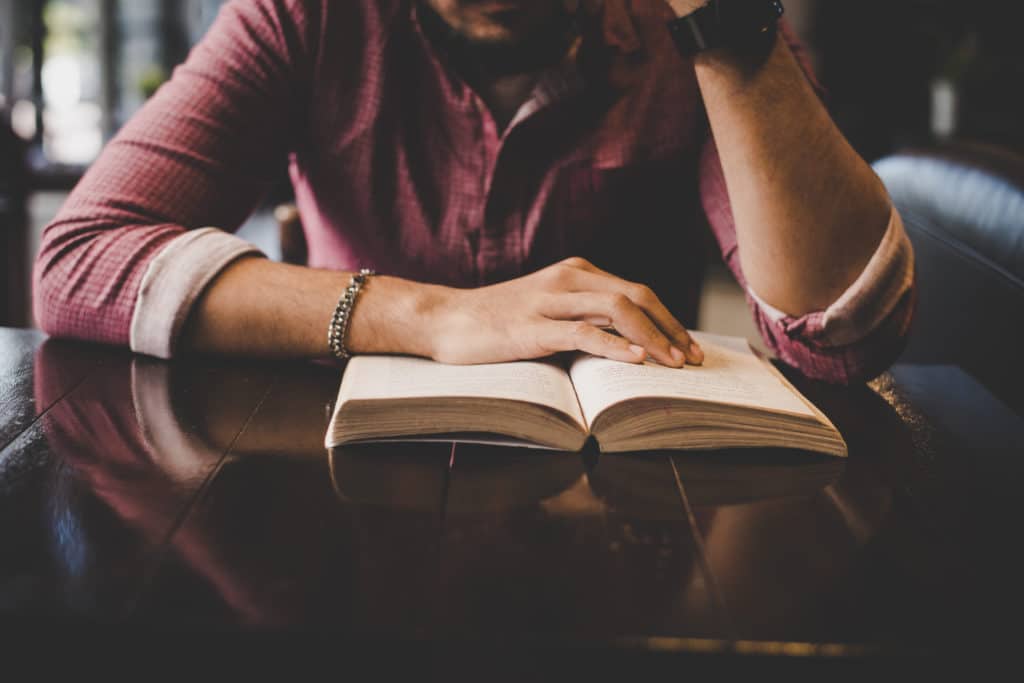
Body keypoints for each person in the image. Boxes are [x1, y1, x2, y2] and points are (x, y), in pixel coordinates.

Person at [33, 0, 915, 383]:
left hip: (633, 510)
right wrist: (433, 316)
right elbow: (78, 261)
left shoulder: (687, 31)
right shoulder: (309, 18)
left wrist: (720, 19)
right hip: (350, 494)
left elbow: (841, 330)